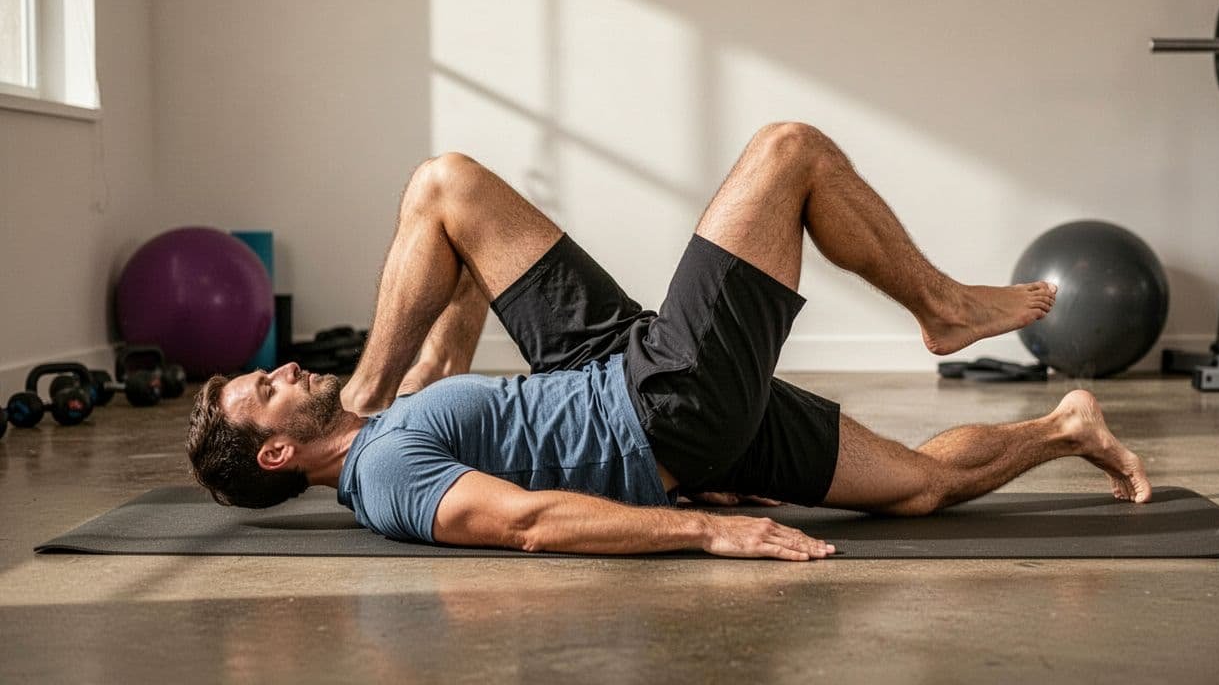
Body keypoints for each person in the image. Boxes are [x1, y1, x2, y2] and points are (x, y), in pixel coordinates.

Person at [186, 122, 1152, 561]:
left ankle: (1063, 428)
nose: (279, 367)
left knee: (444, 186)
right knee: (790, 154)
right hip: (661, 410)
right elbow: (532, 522)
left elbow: (456, 298)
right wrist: (701, 526)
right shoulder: (386, 479)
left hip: (608, 369)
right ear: (278, 450)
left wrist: (468, 270)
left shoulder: (390, 422)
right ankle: (941, 308)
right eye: (265, 390)